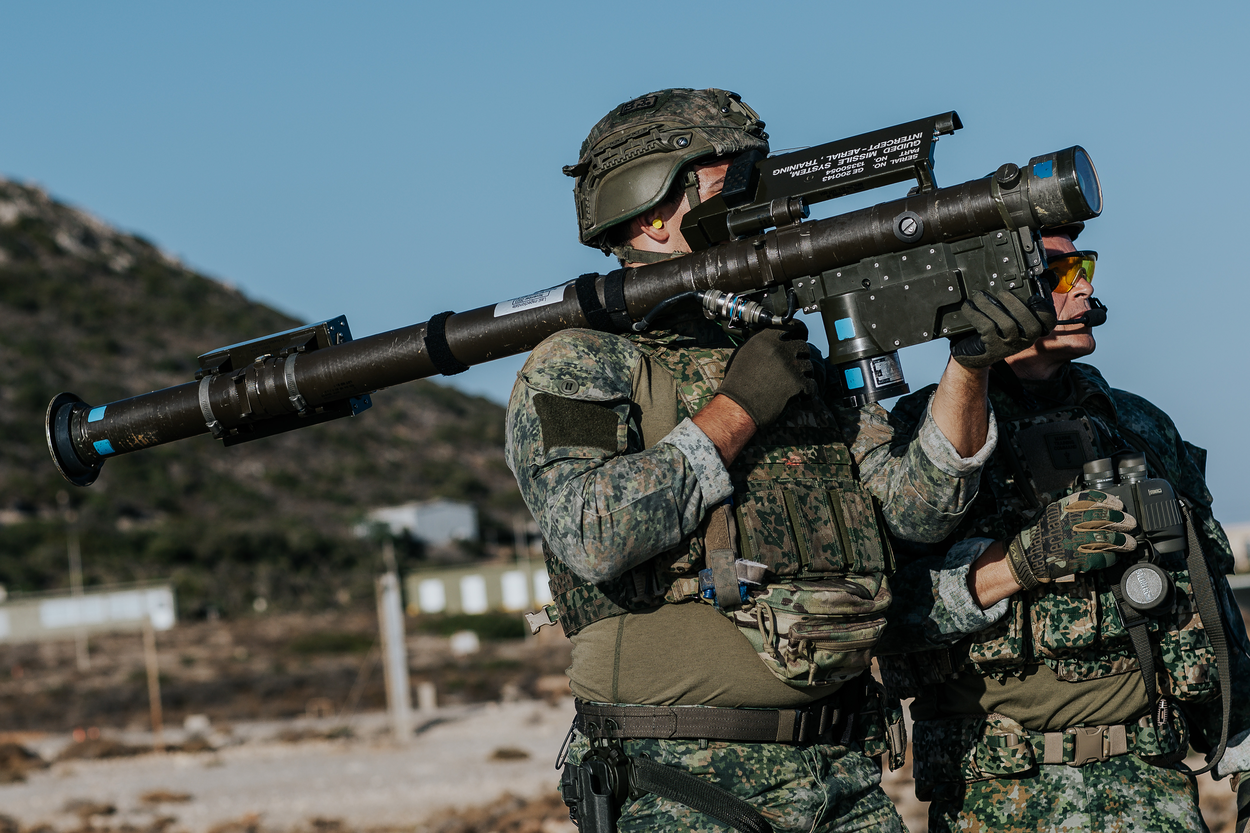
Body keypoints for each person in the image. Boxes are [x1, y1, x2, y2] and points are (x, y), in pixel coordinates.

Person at [505, 88, 1052, 833]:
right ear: (652, 206)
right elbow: (590, 530)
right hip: (683, 777)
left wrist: (969, 365)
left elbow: (913, 511)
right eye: (732, 179)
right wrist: (738, 408)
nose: (761, 198)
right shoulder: (583, 360)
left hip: (841, 771)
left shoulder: (790, 359)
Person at [877, 223, 1250, 832]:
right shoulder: (920, 438)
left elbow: (1207, 603)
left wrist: (1245, 753)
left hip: (1149, 787)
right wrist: (1019, 563)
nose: (1081, 295)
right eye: (1057, 279)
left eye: (1085, 273)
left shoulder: (1139, 424)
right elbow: (891, 612)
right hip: (996, 796)